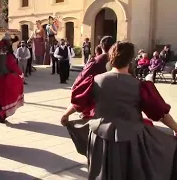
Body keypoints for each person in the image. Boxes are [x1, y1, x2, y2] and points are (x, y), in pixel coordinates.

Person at [62, 41, 177, 180]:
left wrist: (66, 115)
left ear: (111, 58)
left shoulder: (95, 81)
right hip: (131, 138)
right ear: (130, 60)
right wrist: (176, 128)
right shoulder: (139, 85)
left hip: (99, 136)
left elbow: (77, 103)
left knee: (100, 173)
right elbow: (160, 113)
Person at [61, 36, 115, 120]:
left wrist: (75, 85)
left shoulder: (96, 61)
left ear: (101, 46)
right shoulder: (116, 61)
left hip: (96, 101)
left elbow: (83, 77)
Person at [0, 39, 24, 118]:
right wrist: (21, 75)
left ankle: (0, 115)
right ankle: (4, 115)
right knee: (6, 98)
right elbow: (14, 67)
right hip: (6, 81)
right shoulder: (8, 57)